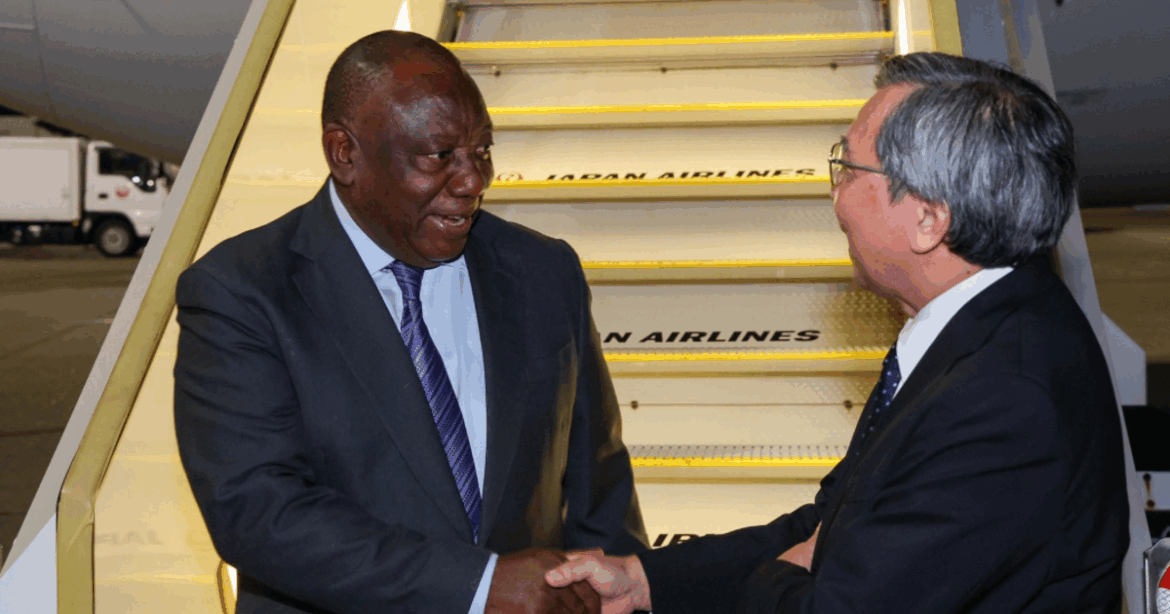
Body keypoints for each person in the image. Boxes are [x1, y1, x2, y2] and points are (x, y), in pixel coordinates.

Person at [544, 52, 1130, 614]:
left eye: (849, 168)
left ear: (928, 218)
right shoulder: (985, 325)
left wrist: (789, 571)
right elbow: (831, 523)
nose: (834, 194)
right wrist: (646, 580)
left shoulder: (1000, 396)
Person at [173, 30, 646, 614]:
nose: (473, 181)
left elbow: (597, 485)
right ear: (344, 153)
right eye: (439, 157)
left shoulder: (544, 272)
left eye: (482, 151)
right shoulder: (240, 292)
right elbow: (259, 512)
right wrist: (479, 586)